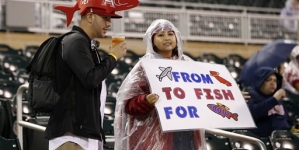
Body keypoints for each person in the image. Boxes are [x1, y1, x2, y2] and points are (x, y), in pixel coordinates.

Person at [45, 0, 139, 150]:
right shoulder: (75, 41)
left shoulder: (86, 43)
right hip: (72, 133)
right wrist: (113, 57)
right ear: (90, 17)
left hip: (83, 131)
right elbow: (91, 78)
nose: (109, 24)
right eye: (105, 18)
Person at [114, 19, 206, 150]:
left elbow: (204, 93)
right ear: (152, 40)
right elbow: (128, 105)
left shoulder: (188, 63)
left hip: (187, 134)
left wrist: (232, 96)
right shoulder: (144, 66)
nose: (167, 38)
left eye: (170, 34)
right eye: (160, 35)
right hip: (159, 135)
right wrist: (145, 100)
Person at [247, 67, 294, 137]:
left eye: (275, 80)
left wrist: (294, 128)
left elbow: (287, 120)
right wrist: (274, 99)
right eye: (268, 80)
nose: (273, 83)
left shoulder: (278, 99)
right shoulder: (250, 96)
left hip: (284, 138)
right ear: (259, 81)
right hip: (264, 141)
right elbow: (253, 113)